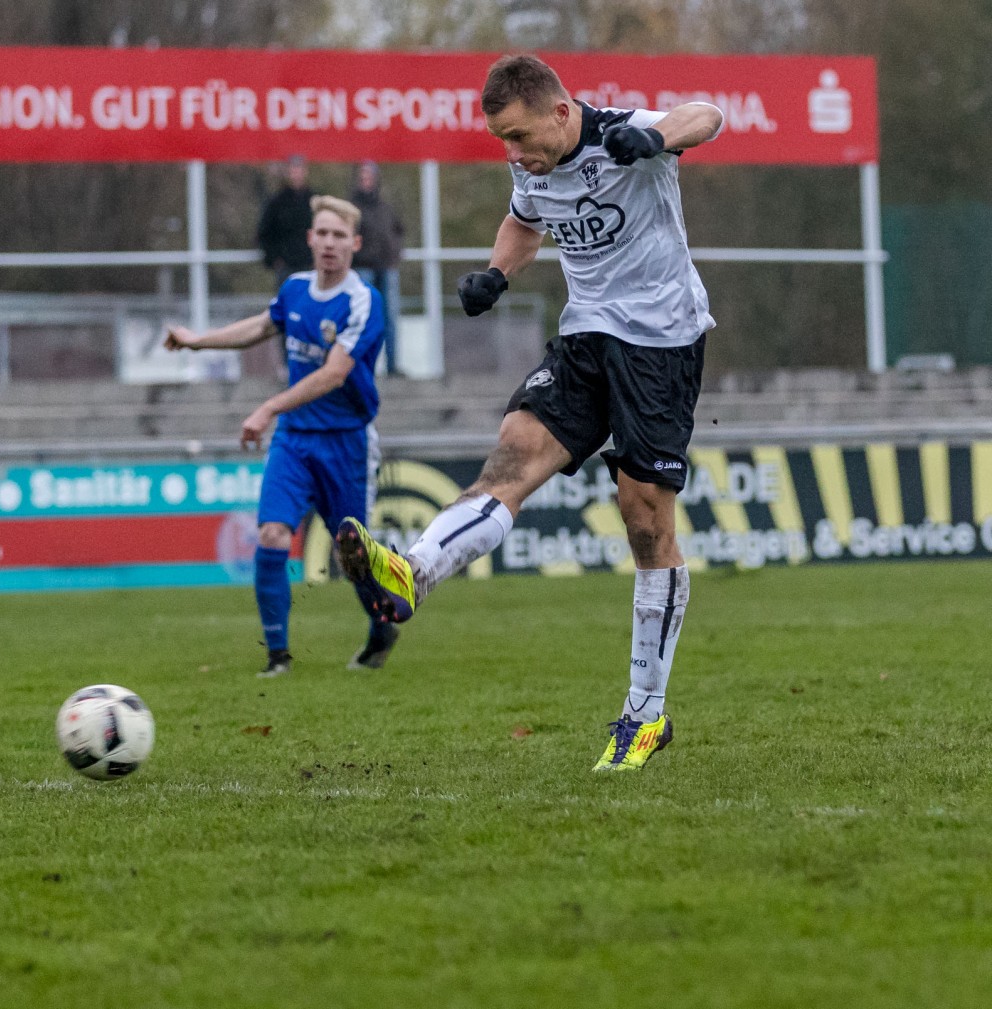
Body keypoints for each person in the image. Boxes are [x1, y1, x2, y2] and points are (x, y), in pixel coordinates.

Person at [337, 54, 724, 772]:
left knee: (644, 518)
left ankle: (645, 714)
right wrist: (497, 273)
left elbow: (706, 115)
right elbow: (524, 222)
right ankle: (412, 573)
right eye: (501, 142)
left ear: (560, 111)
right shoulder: (532, 168)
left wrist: (658, 140)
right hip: (586, 336)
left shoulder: (621, 131)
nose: (512, 154)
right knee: (512, 455)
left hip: (661, 344)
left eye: (518, 136)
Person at [167, 195, 392, 677]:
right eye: (322, 234)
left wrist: (269, 405)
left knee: (351, 555)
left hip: (346, 440)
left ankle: (382, 627)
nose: (330, 243)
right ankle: (278, 656)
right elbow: (258, 327)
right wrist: (197, 339)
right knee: (271, 534)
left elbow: (334, 374)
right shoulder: (293, 289)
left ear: (354, 243)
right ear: (310, 239)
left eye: (339, 236)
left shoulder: (364, 301)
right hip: (295, 438)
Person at [349, 162, 405, 375]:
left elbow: (398, 231)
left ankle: (392, 366)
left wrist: (395, 254)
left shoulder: (385, 208)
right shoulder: (353, 209)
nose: (366, 180)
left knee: (390, 319)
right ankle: (365, 367)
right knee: (365, 320)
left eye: (369, 176)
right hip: (363, 269)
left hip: (387, 268)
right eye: (362, 176)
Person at [256, 154, 316, 285]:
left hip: (309, 265)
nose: (296, 173)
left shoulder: (314, 200)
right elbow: (265, 233)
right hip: (286, 267)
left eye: (299, 168)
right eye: (293, 168)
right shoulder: (277, 202)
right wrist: (275, 259)